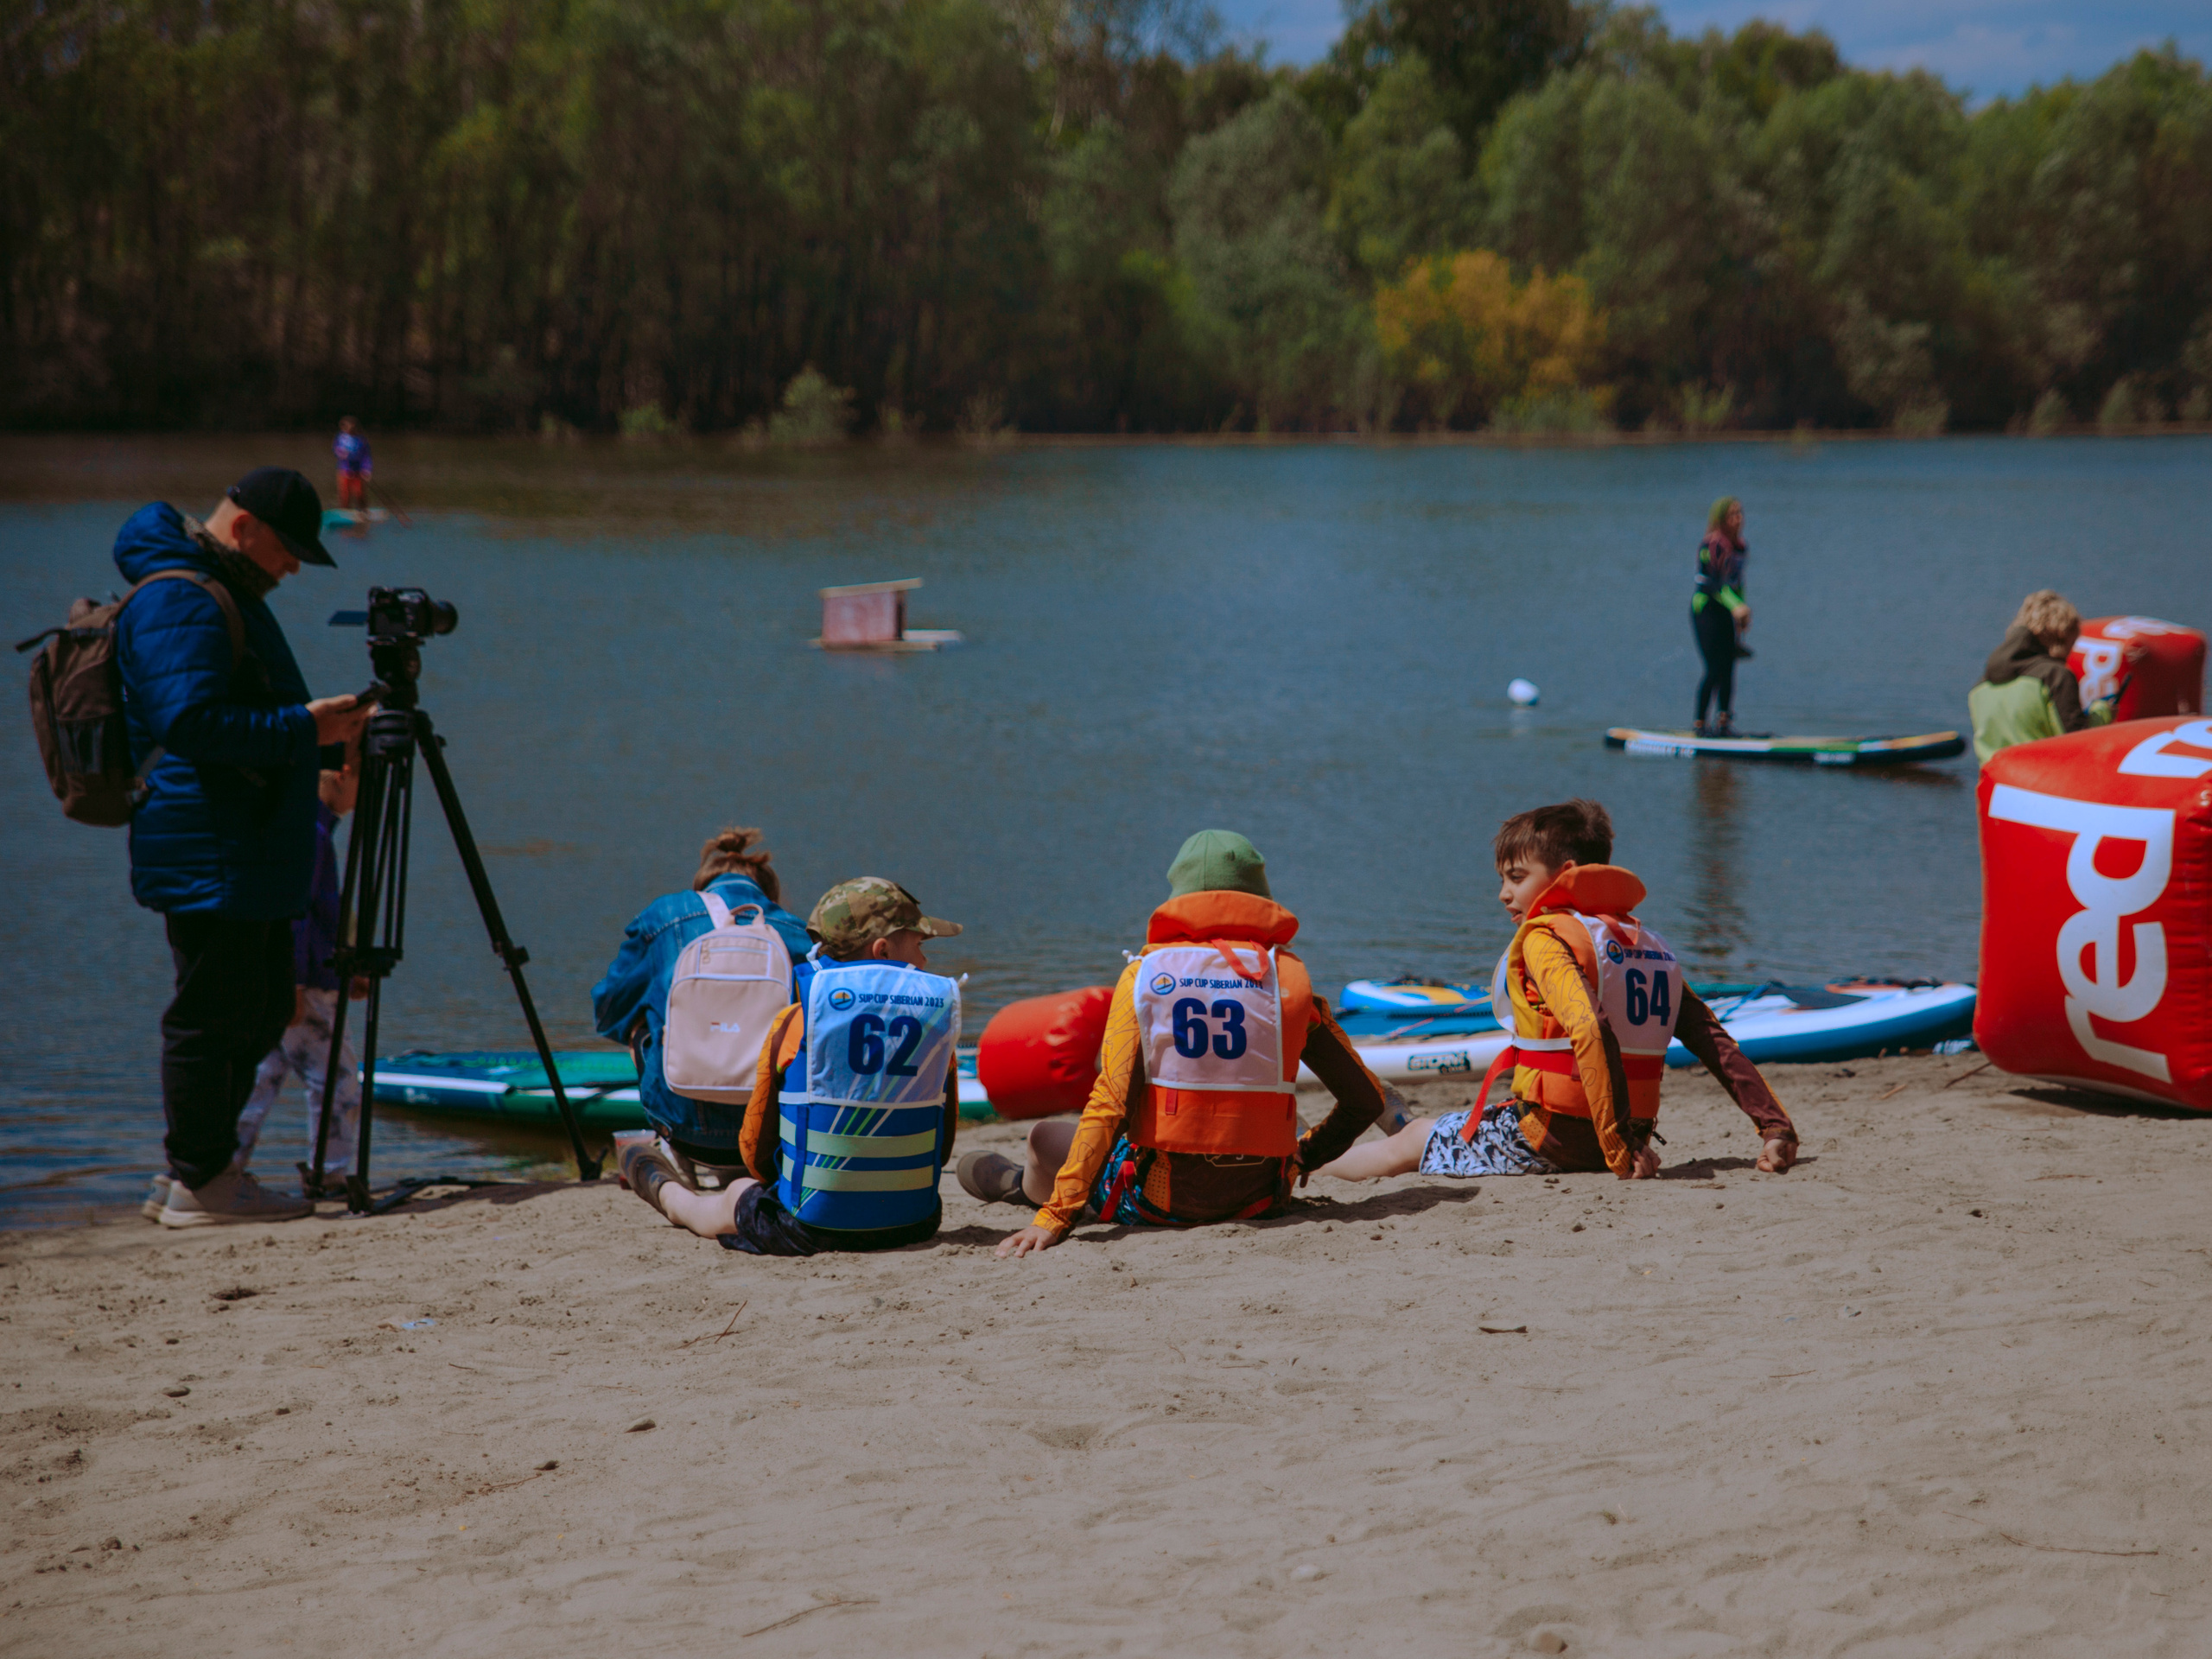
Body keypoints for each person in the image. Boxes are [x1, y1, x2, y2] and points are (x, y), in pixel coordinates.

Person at [117, 467, 376, 1227]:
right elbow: (190, 724)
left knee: (261, 1003)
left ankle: (199, 1172)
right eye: (288, 549)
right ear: (243, 528)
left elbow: (227, 709)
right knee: (212, 1014)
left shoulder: (217, 589)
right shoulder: (181, 596)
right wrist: (306, 728)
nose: (293, 566)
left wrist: (315, 731)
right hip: (209, 849)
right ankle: (200, 1179)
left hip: (241, 844)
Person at [1317, 799, 1797, 1185]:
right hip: (1627, 1132)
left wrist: (1617, 1150)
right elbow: (1712, 1040)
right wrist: (1774, 1126)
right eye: (1503, 879)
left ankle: (1307, 1165)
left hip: (1554, 1137)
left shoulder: (1547, 938)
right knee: (1444, 1127)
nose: (1504, 894)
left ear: (1564, 873)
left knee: (1413, 1143)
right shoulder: (1648, 945)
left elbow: (1589, 1029)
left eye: (1516, 878)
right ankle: (1401, 1120)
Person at [975, 830, 1390, 1259]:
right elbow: (1366, 1099)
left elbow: (1112, 1103)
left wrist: (1056, 1217)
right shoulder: (1288, 984)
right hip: (1264, 1198)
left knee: (1043, 1137)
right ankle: (1017, 1183)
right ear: (1260, 895)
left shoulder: (1146, 978)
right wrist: (1304, 1156)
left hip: (1161, 1201)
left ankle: (1022, 1188)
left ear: (1180, 894)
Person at [613, 878, 964, 1255]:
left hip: (806, 1228)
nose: (925, 960)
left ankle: (671, 1199)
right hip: (914, 1223)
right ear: (882, 950)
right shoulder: (937, 1025)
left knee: (736, 1193)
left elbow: (755, 1148)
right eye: (920, 944)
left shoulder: (797, 1021)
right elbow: (941, 1148)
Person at [591, 828, 813, 1182]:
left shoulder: (663, 916)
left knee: (641, 1025)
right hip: (768, 1139)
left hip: (687, 1132)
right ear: (768, 894)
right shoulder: (799, 932)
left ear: (703, 888)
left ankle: (674, 1149)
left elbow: (607, 1011)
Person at [1968, 589, 2119, 764]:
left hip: (1995, 786)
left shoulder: (1981, 685)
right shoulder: (2055, 677)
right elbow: (2078, 741)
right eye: (2073, 642)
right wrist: (2102, 712)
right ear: (2063, 634)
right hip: (2040, 784)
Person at [1691, 495, 1751, 735]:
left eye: (1741, 513)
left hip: (1727, 609)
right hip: (1706, 609)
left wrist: (1741, 611)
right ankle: (1699, 725)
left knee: (1729, 668)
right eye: (1733, 514)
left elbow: (1737, 583)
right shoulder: (1712, 545)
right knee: (1714, 668)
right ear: (1721, 519)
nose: (1739, 519)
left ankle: (1724, 723)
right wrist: (1736, 606)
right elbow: (1712, 583)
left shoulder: (1740, 546)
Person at [333, 418, 372, 512]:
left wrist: (366, 469)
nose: (347, 429)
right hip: (344, 471)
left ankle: (363, 511)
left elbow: (366, 456)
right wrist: (341, 453)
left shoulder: (361, 440)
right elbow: (336, 449)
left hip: (358, 471)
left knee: (359, 494)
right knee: (344, 495)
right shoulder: (340, 438)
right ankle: (344, 512)